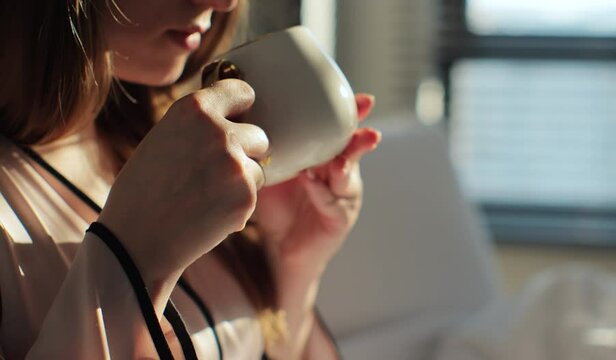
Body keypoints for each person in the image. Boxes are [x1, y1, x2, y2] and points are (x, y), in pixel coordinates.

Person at [0, 0, 381, 358]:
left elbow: (268, 346)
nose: (224, 3)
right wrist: (132, 257)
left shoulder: (181, 142)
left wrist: (293, 260)